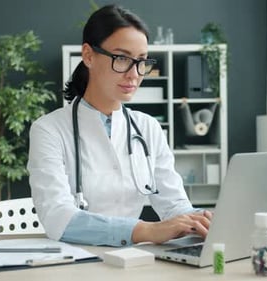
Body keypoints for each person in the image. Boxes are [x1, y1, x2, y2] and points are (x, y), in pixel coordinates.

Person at [28, 4, 211, 247]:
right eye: (122, 58)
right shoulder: (49, 130)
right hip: (74, 262)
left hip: (131, 261)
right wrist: (146, 230)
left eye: (142, 61)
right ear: (88, 55)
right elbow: (57, 218)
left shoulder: (148, 128)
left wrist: (199, 220)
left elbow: (173, 204)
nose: (134, 74)